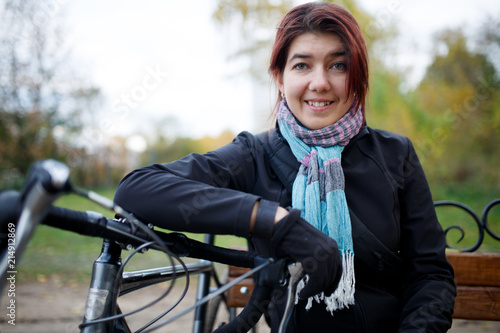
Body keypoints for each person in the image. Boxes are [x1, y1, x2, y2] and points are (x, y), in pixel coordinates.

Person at [114, 2, 456, 332]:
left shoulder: (396, 155)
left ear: (357, 76)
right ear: (279, 77)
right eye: (302, 65)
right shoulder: (253, 155)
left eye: (338, 65)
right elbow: (137, 189)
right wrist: (276, 222)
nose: (320, 82)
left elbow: (430, 275)